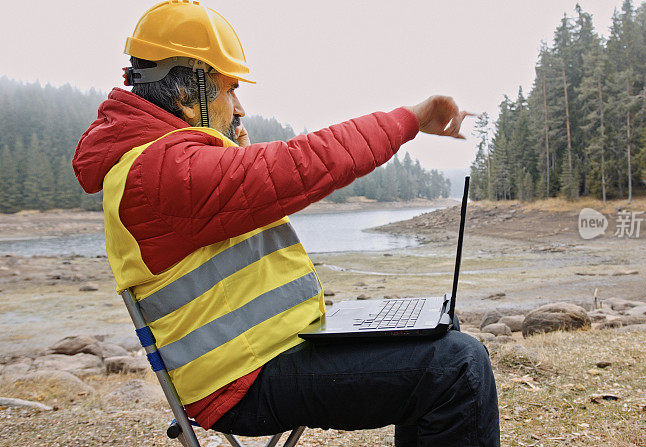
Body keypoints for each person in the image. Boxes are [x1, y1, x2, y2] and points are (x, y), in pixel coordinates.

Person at [73, 1, 499, 445]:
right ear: (189, 90)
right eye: (229, 89)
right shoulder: (158, 172)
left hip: (272, 350)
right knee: (456, 368)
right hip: (240, 382)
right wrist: (409, 119)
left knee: (438, 337)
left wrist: (230, 153)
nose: (238, 107)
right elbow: (304, 164)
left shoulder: (163, 163)